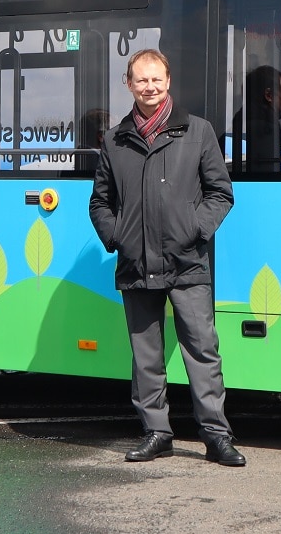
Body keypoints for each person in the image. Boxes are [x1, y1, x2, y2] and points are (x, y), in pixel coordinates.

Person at [90, 49, 243, 466]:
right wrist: (117, 236)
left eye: (156, 79)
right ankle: (156, 432)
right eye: (141, 80)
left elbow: (221, 193)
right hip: (136, 265)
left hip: (188, 264)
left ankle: (216, 435)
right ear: (128, 84)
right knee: (146, 357)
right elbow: (100, 203)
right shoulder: (115, 139)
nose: (149, 87)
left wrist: (194, 230)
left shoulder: (198, 131)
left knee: (202, 351)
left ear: (168, 81)